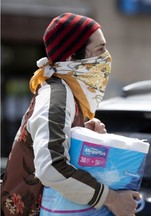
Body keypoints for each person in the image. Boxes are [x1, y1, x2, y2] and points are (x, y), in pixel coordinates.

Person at [1, 12, 140, 216]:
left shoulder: (66, 92)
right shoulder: (56, 97)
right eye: (99, 49)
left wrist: (83, 136)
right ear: (70, 56)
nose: (106, 57)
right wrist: (112, 199)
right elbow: (51, 168)